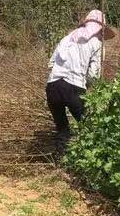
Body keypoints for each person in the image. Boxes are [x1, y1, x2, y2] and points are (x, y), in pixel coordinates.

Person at [46, 9, 115, 153]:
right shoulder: (97, 43)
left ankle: (60, 160)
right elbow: (93, 74)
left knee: (62, 129)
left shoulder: (66, 38)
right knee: (88, 126)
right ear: (100, 28)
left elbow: (51, 63)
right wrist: (88, 87)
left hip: (52, 87)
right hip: (74, 88)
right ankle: (92, 158)